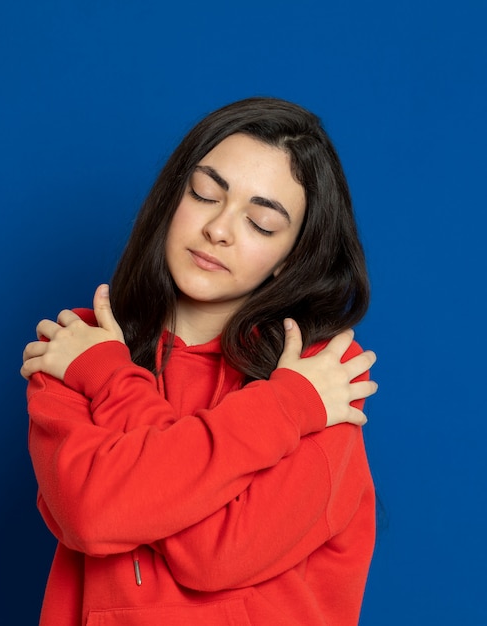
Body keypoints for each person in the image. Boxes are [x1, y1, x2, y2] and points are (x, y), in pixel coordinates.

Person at [21, 97, 378, 626]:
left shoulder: (321, 378)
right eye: (206, 194)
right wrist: (285, 410)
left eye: (260, 223)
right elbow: (91, 517)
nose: (219, 229)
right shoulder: (79, 343)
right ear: (174, 197)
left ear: (290, 260)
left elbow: (218, 555)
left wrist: (112, 380)